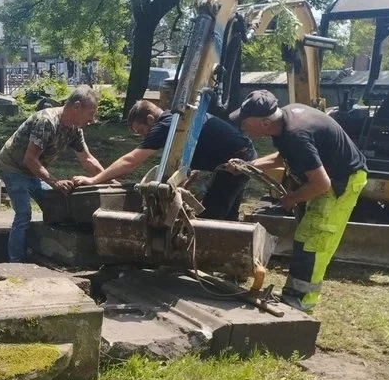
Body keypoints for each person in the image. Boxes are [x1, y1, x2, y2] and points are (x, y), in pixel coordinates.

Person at [228, 89, 367, 312]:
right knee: (306, 235)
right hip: (327, 176)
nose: (242, 126)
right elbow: (284, 156)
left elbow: (322, 184)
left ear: (265, 123)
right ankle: (293, 295)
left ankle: (302, 301)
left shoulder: (296, 134)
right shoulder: (284, 121)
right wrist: (250, 165)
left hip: (341, 181)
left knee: (313, 241)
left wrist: (291, 198)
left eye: (245, 122)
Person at [72, 99, 256, 220]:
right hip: (245, 154)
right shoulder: (176, 120)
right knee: (228, 215)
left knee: (212, 217)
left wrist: (94, 180)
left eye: (142, 131)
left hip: (236, 161)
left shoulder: (165, 125)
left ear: (150, 119)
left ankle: (207, 260)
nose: (144, 136)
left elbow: (130, 161)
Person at [0, 85, 105, 262]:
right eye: (91, 113)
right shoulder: (47, 121)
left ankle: (46, 252)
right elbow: (30, 159)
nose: (92, 119)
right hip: (14, 167)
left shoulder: (74, 129)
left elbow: (87, 160)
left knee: (58, 207)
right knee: (24, 213)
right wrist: (54, 182)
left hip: (34, 171)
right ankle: (16, 261)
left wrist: (109, 179)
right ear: (77, 107)